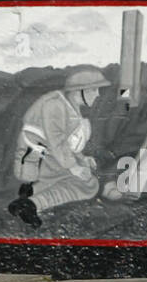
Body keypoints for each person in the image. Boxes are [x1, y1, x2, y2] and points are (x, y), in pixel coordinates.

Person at [7, 67, 120, 228]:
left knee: (87, 179)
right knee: (88, 184)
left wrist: (82, 159)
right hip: (37, 159)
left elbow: (67, 146)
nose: (98, 94)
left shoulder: (69, 108)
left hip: (50, 157)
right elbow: (57, 142)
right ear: (78, 91)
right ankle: (31, 205)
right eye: (94, 89)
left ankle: (29, 195)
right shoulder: (55, 106)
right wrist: (74, 167)